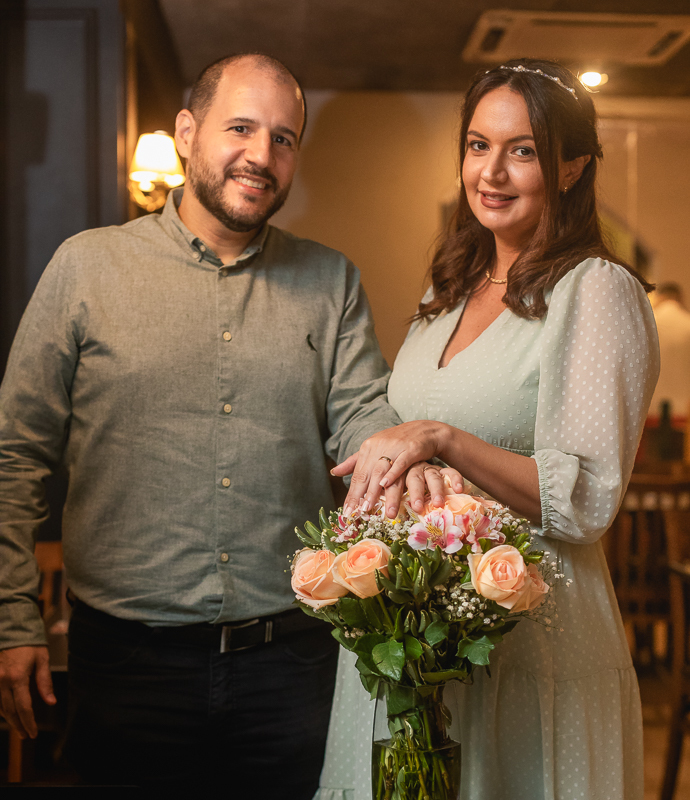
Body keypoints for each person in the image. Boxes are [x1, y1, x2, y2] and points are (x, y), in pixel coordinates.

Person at [0, 53, 404, 794]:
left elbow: (362, 420)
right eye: (241, 128)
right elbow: (14, 456)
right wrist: (11, 618)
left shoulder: (331, 281)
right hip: (124, 666)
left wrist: (412, 445)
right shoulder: (85, 269)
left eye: (283, 138)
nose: (262, 155)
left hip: (294, 660)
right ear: (187, 132)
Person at [316, 59, 659, 800]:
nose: (492, 172)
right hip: (414, 634)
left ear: (571, 168)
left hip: (532, 641)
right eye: (478, 145)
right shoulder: (448, 286)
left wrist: (441, 438)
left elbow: (587, 498)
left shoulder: (595, 290)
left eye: (523, 150)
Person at [650, 281, 690, 419]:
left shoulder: (649, 321)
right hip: (683, 408)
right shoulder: (687, 323)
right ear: (680, 298)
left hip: (649, 407)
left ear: (659, 297)